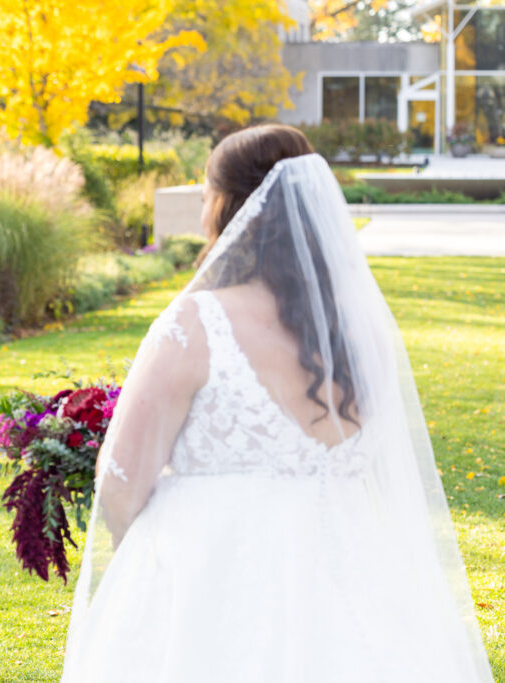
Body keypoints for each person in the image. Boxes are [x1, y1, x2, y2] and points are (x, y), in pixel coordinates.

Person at [60, 124, 494, 682]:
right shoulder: (362, 333)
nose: (200, 218)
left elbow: (121, 480)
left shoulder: (196, 324)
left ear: (229, 207)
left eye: (205, 200)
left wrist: (135, 554)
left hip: (208, 582)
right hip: (348, 572)